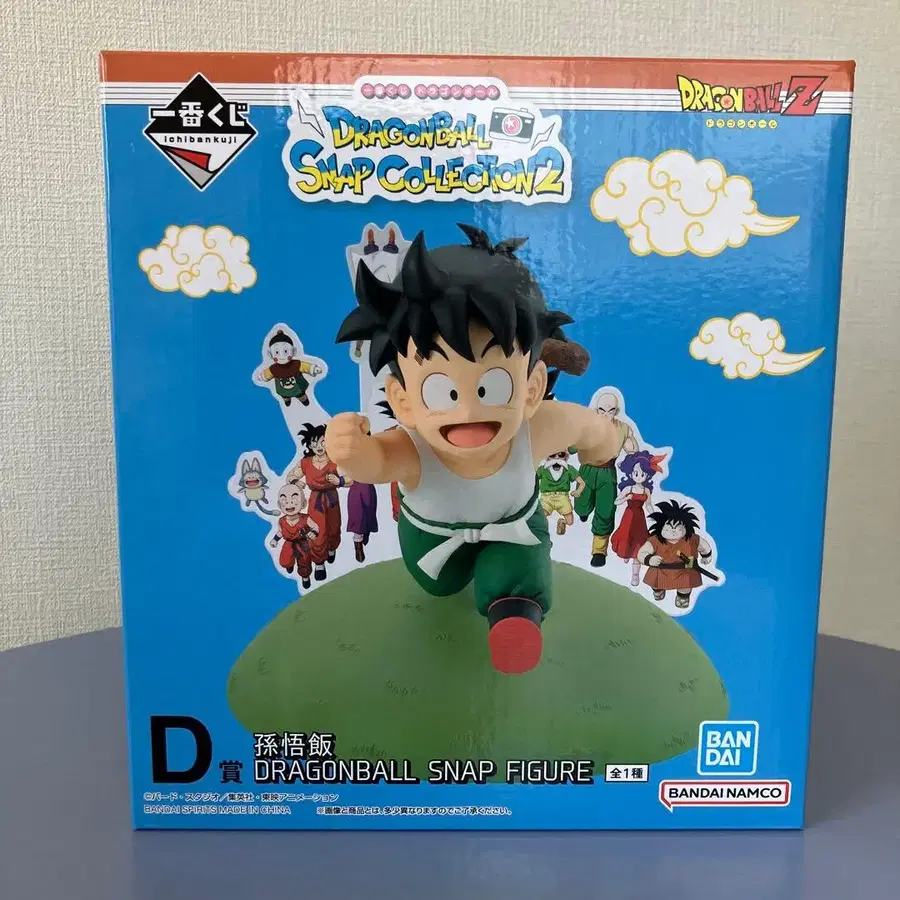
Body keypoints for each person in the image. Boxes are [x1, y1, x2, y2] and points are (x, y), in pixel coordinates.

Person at [325, 224, 617, 675]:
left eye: (493, 386)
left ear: (532, 388)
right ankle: (469, 581)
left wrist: (605, 448)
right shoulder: (412, 447)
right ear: (403, 401)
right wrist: (349, 451)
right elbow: (376, 461)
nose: (466, 411)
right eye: (441, 391)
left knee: (518, 571)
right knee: (439, 586)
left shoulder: (537, 428)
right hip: (431, 542)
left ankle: (515, 616)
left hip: (514, 528)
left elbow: (589, 428)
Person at [574, 390, 638, 567]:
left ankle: (599, 551)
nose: (605, 414)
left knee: (606, 510)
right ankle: (583, 512)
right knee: (581, 505)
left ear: (616, 412)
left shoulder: (622, 429)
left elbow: (632, 449)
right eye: (601, 410)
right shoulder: (587, 425)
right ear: (596, 410)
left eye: (610, 411)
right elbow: (571, 445)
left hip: (607, 473)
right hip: (586, 470)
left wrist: (635, 455)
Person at [295, 423, 351, 581]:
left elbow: (351, 478)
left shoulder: (335, 461)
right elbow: (292, 475)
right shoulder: (306, 462)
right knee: (317, 531)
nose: (319, 447)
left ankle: (332, 548)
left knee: (333, 528)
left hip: (332, 499)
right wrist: (295, 481)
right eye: (314, 443)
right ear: (309, 445)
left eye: (322, 442)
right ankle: (319, 563)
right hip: (315, 501)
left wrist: (339, 481)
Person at [636, 500, 714, 609]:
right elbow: (642, 553)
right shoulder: (655, 540)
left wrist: (706, 555)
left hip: (685, 571)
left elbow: (704, 546)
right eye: (669, 527)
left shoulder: (693, 539)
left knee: (685, 585)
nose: (673, 531)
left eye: (678, 528)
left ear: (686, 527)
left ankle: (682, 598)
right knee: (656, 583)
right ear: (661, 526)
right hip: (660, 569)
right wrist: (649, 559)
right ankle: (658, 591)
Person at [610, 450, 665, 585]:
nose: (639, 477)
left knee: (639, 543)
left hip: (640, 519)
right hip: (628, 517)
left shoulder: (646, 490)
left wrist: (656, 517)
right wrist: (626, 498)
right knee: (627, 537)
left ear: (647, 475)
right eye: (636, 473)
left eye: (642, 474)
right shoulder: (628, 488)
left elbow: (649, 505)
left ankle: (635, 575)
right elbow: (616, 501)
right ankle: (625, 553)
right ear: (630, 473)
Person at [269, 482, 319, 588]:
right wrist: (275, 539)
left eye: (294, 500)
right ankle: (289, 564)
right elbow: (280, 532)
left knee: (304, 562)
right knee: (285, 560)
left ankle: (305, 577)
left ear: (303, 503)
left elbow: (315, 527)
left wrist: (314, 532)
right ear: (279, 505)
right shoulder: (282, 521)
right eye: (285, 501)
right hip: (289, 543)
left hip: (302, 543)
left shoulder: (305, 518)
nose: (289, 504)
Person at [257, 330, 323, 407]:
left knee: (300, 394)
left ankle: (303, 399)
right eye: (277, 352)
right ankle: (287, 399)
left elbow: (305, 366)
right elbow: (268, 373)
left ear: (293, 351)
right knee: (284, 395)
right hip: (283, 390)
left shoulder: (296, 364)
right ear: (270, 354)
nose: (281, 356)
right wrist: (262, 376)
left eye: (285, 351)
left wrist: (313, 369)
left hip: (298, 387)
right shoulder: (274, 368)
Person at [537, 450, 585, 535]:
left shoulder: (569, 469)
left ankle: (562, 522)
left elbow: (582, 483)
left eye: (561, 455)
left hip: (562, 497)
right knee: (539, 518)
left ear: (565, 457)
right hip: (546, 498)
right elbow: (532, 478)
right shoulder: (542, 469)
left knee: (570, 522)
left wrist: (578, 492)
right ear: (548, 457)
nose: (557, 458)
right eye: (553, 455)